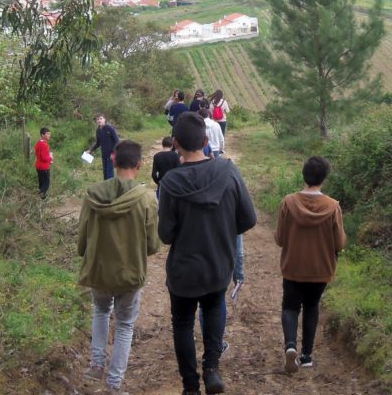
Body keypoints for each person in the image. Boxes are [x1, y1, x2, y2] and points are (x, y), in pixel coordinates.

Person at [159, 112, 257, 395]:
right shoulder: (228, 171)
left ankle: (190, 387)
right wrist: (224, 230)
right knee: (214, 309)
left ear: (175, 143)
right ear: (205, 140)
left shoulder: (170, 183)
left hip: (183, 271)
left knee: (183, 324)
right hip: (217, 265)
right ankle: (212, 368)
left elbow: (165, 235)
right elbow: (248, 219)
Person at [78, 140, 159, 394]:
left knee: (101, 312)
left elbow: (82, 239)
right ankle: (114, 384)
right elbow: (153, 245)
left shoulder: (92, 194)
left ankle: (96, 366)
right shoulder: (146, 199)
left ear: (113, 160)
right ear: (139, 164)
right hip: (130, 273)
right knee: (124, 325)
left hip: (99, 272)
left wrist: (87, 254)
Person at [275, 156, 347, 375]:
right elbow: (339, 243)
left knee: (290, 306)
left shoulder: (288, 202)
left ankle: (290, 346)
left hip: (293, 267)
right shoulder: (333, 206)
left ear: (303, 175)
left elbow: (280, 239)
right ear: (324, 178)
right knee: (311, 306)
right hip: (321, 270)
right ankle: (306, 356)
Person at [88, 114, 121, 180]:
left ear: (104, 119)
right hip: (104, 154)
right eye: (97, 119)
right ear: (96, 121)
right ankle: (106, 187)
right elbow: (98, 143)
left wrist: (114, 153)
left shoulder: (109, 128)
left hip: (111, 154)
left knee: (109, 172)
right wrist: (90, 150)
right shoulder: (98, 131)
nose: (99, 120)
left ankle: (110, 188)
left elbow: (117, 141)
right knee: (105, 172)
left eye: (101, 118)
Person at [34, 127, 53, 199]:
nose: (49, 135)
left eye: (49, 134)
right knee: (46, 183)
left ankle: (42, 199)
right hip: (44, 167)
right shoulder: (45, 145)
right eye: (47, 134)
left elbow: (37, 153)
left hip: (38, 166)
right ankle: (40, 195)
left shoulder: (39, 143)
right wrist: (51, 158)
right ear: (43, 135)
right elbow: (44, 158)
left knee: (41, 183)